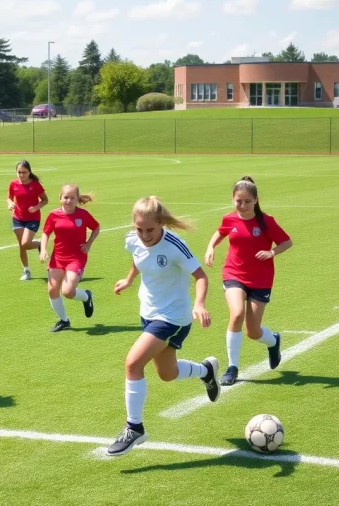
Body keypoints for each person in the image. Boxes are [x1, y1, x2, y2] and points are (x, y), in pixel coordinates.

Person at [107, 196, 219, 457]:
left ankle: (134, 428)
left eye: (150, 230)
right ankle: (205, 371)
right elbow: (138, 257)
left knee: (133, 363)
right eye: (140, 229)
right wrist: (128, 279)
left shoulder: (175, 245)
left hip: (174, 317)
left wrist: (199, 304)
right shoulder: (132, 239)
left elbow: (200, 276)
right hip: (148, 313)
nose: (145, 235)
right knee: (167, 373)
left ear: (161, 224)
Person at [204, 176, 293, 386]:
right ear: (233, 199)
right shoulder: (229, 219)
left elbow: (286, 242)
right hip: (233, 273)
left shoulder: (266, 221)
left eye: (246, 201)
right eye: (238, 201)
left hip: (261, 278)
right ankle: (232, 367)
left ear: (255, 201)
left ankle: (273, 341)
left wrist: (271, 252)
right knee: (236, 314)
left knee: (252, 331)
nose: (242, 205)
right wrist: (211, 247)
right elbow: (220, 232)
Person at [39, 183, 99, 333]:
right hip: (58, 257)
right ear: (60, 198)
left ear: (77, 199)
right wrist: (43, 250)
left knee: (67, 291)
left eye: (72, 198)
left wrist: (89, 243)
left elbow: (96, 227)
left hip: (76, 258)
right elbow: (46, 233)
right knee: (52, 289)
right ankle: (64, 321)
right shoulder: (53, 215)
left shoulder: (83, 215)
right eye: (66, 197)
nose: (68, 200)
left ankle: (86, 297)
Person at [8, 160, 48, 281]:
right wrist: (10, 204)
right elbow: (9, 198)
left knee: (25, 243)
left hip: (32, 218)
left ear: (29, 172)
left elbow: (45, 200)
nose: (21, 175)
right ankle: (26, 270)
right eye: (19, 172)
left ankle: (40, 244)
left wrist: (36, 207)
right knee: (21, 245)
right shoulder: (13, 184)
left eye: (24, 172)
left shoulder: (35, 185)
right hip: (17, 218)